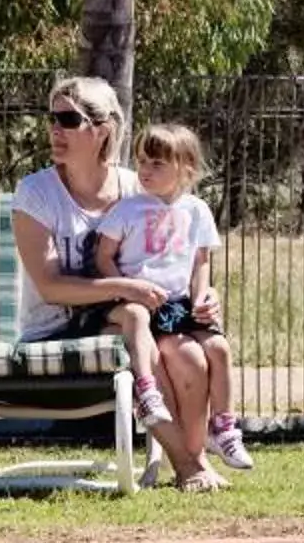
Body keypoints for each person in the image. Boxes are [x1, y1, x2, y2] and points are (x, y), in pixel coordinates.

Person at [9, 75, 226, 489]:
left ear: (103, 129)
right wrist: (125, 287)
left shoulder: (137, 187)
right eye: (51, 119)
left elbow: (184, 253)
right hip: (58, 329)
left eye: (68, 120)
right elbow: (52, 287)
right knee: (134, 319)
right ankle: (188, 465)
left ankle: (197, 459)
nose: (55, 129)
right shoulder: (35, 193)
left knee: (192, 357)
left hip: (143, 317)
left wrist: (204, 294)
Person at [88, 122, 251, 472]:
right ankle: (147, 393)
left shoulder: (197, 211)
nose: (145, 170)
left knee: (219, 349)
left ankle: (223, 429)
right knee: (160, 334)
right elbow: (103, 256)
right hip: (138, 302)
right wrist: (122, 287)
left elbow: (200, 263)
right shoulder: (127, 209)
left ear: (186, 168)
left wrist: (203, 297)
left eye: (156, 164)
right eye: (142, 161)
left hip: (179, 306)